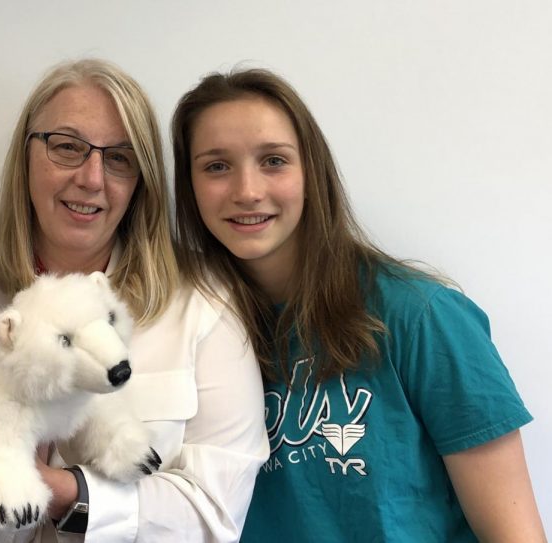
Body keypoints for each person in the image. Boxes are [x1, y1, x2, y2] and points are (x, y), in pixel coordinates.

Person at [170, 68, 546, 541]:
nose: (247, 190)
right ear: (189, 188)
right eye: (216, 166)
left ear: (312, 172)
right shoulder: (189, 330)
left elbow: (514, 534)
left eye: (273, 161)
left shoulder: (421, 317)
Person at [0, 58, 270, 542]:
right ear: (26, 157)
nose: (93, 178)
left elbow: (215, 515)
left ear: (141, 181)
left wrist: (64, 492)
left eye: (119, 157)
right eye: (67, 147)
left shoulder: (204, 307)